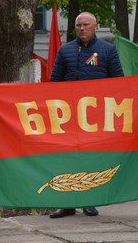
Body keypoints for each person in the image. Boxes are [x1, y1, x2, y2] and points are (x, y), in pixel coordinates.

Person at [48, 11, 123, 219]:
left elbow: (119, 82)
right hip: (68, 117)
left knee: (91, 158)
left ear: (95, 26)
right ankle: (67, 204)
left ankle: (90, 202)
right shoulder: (65, 51)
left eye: (86, 25)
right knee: (67, 158)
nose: (82, 28)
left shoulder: (108, 50)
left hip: (96, 116)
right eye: (79, 25)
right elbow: (54, 83)